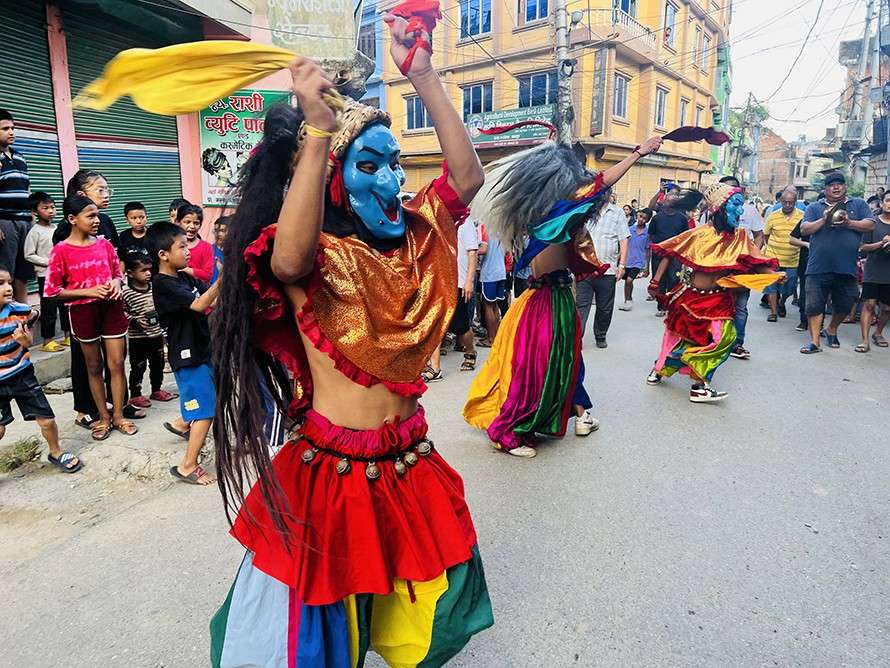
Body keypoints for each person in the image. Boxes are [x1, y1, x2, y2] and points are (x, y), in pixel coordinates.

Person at [208, 18, 493, 664]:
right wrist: (317, 135)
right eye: (370, 166)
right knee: (319, 637)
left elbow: (467, 181)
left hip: (406, 464)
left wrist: (421, 74)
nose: (391, 183)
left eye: (395, 164)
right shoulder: (312, 259)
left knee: (416, 619)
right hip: (331, 479)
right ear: (336, 178)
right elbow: (286, 261)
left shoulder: (418, 243)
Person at [465, 135, 664, 456]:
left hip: (557, 296)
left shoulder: (560, 211)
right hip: (540, 301)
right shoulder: (548, 213)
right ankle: (509, 431)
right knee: (535, 365)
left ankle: (581, 412)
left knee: (565, 358)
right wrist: (637, 152)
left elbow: (596, 186)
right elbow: (602, 182)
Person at [646, 182, 780, 402]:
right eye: (735, 205)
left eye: (742, 205)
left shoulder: (741, 238)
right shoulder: (699, 234)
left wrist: (775, 273)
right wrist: (656, 280)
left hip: (719, 300)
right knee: (686, 339)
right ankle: (665, 369)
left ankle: (696, 380)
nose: (740, 211)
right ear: (719, 207)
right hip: (690, 298)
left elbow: (756, 263)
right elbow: (670, 251)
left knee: (725, 338)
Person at [44, 195, 136, 440]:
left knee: (116, 364)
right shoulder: (61, 250)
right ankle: (103, 418)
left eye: (97, 215)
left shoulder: (105, 244)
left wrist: (117, 283)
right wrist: (89, 291)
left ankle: (118, 415)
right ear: (72, 219)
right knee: (93, 366)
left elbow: (118, 273)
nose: (97, 220)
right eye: (90, 216)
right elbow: (52, 290)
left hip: (111, 308)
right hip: (82, 312)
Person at [148, 222, 219, 485]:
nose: (188, 250)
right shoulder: (163, 283)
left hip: (202, 349)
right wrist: (222, 280)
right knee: (204, 411)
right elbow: (200, 304)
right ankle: (188, 466)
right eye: (182, 246)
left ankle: (182, 423)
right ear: (163, 255)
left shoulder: (185, 278)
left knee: (203, 402)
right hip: (187, 356)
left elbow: (211, 299)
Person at [0, 265, 81, 472]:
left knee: (46, 420)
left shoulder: (20, 311)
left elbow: (31, 327)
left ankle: (55, 452)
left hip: (22, 374)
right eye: (1, 284)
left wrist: (26, 341)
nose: (8, 288)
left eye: (9, 282)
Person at [799, 172, 874, 354]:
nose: (836, 187)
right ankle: (815, 342)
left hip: (846, 267)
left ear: (845, 186)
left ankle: (832, 328)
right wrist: (824, 219)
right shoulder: (815, 207)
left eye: (840, 184)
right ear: (826, 189)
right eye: (832, 184)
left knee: (846, 303)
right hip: (818, 266)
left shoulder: (858, 204)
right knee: (814, 305)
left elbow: (870, 224)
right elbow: (804, 229)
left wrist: (849, 223)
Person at [424, 215, 479, 380]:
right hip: (439, 281)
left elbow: (473, 252)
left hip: (459, 282)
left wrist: (469, 281)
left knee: (461, 327)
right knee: (435, 324)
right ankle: (435, 368)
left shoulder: (465, 222)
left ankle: (470, 351)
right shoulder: (437, 219)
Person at [121, 249, 177, 408]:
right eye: (143, 270)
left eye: (149, 270)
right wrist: (134, 321)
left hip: (156, 335)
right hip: (138, 338)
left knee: (158, 364)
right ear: (131, 273)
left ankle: (156, 389)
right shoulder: (126, 292)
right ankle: (136, 394)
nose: (148, 274)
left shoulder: (154, 287)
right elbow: (121, 312)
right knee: (138, 366)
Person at [576, 189, 629, 346]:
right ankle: (577, 338)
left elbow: (624, 240)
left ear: (609, 193)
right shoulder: (587, 210)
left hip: (608, 269)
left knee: (604, 307)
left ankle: (600, 335)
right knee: (581, 306)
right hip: (585, 268)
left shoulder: (617, 212)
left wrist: (622, 265)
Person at [24, 192, 68, 352]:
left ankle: (67, 336)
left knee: (65, 306)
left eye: (53, 207)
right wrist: (48, 262)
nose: (51, 211)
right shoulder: (34, 232)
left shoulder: (58, 228)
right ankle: (47, 341)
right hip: (46, 276)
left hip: (63, 274)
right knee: (49, 309)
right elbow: (28, 254)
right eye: (45, 208)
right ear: (35, 212)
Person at [0, 109, 35, 303]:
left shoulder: (20, 157)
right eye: (5, 128)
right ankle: (5, 325)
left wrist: (31, 215)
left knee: (23, 275)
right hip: (5, 221)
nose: (12, 132)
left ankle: (23, 318)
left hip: (24, 222)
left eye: (13, 128)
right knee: (5, 274)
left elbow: (26, 188)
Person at [648, 187, 692, 316]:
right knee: (659, 281)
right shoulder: (657, 218)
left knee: (674, 280)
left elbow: (685, 237)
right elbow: (651, 235)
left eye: (675, 197)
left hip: (675, 256)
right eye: (670, 196)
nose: (672, 198)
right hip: (658, 254)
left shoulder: (682, 218)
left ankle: (671, 305)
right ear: (665, 200)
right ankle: (661, 306)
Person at [856, 190, 890, 352]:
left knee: (886, 308)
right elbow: (862, 247)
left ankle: (878, 333)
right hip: (873, 271)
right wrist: (881, 244)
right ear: (882, 203)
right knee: (869, 305)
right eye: (888, 200)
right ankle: (864, 340)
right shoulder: (872, 223)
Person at [763, 187, 802, 322]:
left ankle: (782, 302)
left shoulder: (802, 216)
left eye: (791, 202)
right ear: (780, 201)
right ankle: (773, 312)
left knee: (789, 288)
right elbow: (766, 235)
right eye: (785, 202)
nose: (787, 205)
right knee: (771, 286)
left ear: (795, 202)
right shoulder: (773, 216)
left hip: (792, 260)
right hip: (773, 258)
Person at [619, 207, 652, 311]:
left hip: (638, 261)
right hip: (628, 260)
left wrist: (647, 267)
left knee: (629, 280)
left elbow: (647, 250)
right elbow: (623, 245)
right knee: (626, 281)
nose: (641, 219)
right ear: (637, 215)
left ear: (648, 220)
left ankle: (628, 300)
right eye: (640, 216)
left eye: (645, 218)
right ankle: (627, 300)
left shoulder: (647, 233)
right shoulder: (629, 230)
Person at [478, 231, 506, 347]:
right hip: (501, 271)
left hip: (489, 273)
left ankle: (491, 338)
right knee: (494, 305)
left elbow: (484, 249)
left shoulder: (485, 229)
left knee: (488, 305)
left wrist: (471, 251)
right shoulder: (502, 230)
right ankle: (495, 336)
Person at [176, 204, 214, 283]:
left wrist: (184, 269)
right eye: (187, 222)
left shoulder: (206, 247)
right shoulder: (172, 244)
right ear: (178, 222)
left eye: (196, 223)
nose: (192, 226)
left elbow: (207, 275)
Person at [789, 217, 811, 332]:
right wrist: (806, 244)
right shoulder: (806, 220)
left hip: (826, 261)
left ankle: (819, 324)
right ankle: (803, 320)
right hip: (806, 261)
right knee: (804, 291)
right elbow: (792, 239)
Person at [210, 214, 230, 285]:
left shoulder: (235, 253)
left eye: (222, 230)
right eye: (216, 230)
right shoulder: (208, 250)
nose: (218, 234)